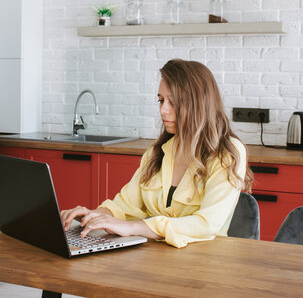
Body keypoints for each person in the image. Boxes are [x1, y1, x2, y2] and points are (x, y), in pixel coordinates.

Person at [61, 59, 254, 248]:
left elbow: (207, 224)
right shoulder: (158, 152)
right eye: (161, 100)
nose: (163, 110)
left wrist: (134, 227)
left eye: (174, 102)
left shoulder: (227, 153)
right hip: (158, 259)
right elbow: (126, 204)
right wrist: (93, 216)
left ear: (199, 104)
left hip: (205, 263)